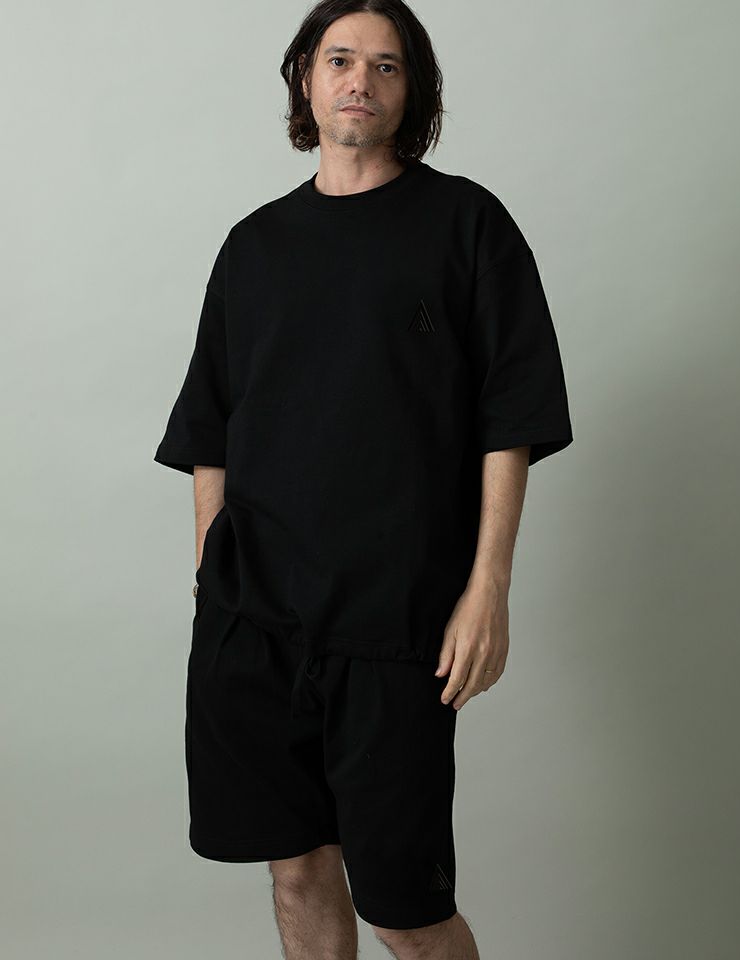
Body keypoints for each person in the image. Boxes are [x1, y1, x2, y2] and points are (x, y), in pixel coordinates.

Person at [154, 2, 573, 957]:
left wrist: (488, 590)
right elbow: (210, 426)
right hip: (255, 622)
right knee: (297, 871)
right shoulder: (254, 245)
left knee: (405, 911)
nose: (360, 81)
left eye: (386, 66)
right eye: (341, 59)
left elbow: (512, 418)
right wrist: (212, 577)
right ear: (305, 76)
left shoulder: (466, 224)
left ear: (412, 90)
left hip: (396, 621)